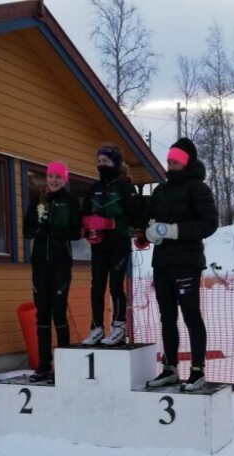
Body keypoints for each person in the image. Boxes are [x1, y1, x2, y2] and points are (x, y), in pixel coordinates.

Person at [143, 138, 219, 392]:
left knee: (191, 317)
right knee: (167, 318)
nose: (171, 163)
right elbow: (151, 220)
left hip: (187, 263)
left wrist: (174, 230)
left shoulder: (198, 189)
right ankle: (170, 368)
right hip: (162, 263)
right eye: (169, 159)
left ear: (186, 161)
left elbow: (209, 224)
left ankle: (197, 370)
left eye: (175, 160)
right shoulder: (160, 191)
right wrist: (148, 233)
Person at [22, 161, 82, 383]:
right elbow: (27, 230)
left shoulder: (71, 201)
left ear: (64, 179)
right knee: (42, 313)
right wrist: (39, 229)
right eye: (51, 176)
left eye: (58, 177)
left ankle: (64, 366)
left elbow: (76, 232)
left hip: (60, 263)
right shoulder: (38, 199)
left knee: (58, 311)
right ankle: (43, 366)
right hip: (39, 263)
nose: (54, 180)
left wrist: (54, 230)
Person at [80, 143, 139, 347]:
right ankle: (96, 327)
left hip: (119, 243)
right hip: (99, 245)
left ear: (115, 162)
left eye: (105, 161)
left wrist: (112, 223)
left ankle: (119, 327)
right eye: (99, 162)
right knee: (97, 285)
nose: (101, 165)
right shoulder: (94, 188)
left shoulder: (125, 186)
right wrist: (88, 227)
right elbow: (84, 213)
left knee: (115, 284)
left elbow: (134, 215)